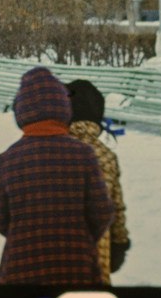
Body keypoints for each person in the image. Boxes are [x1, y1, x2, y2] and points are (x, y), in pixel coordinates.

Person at [0, 66, 114, 286]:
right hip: (77, 266)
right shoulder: (84, 154)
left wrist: (25, 235)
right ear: (64, 107)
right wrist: (80, 239)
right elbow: (102, 212)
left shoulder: (8, 159)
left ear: (21, 111)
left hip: (21, 265)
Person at [68, 79, 131, 284]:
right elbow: (116, 209)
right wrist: (119, 244)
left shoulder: (52, 151)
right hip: (96, 256)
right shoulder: (106, 156)